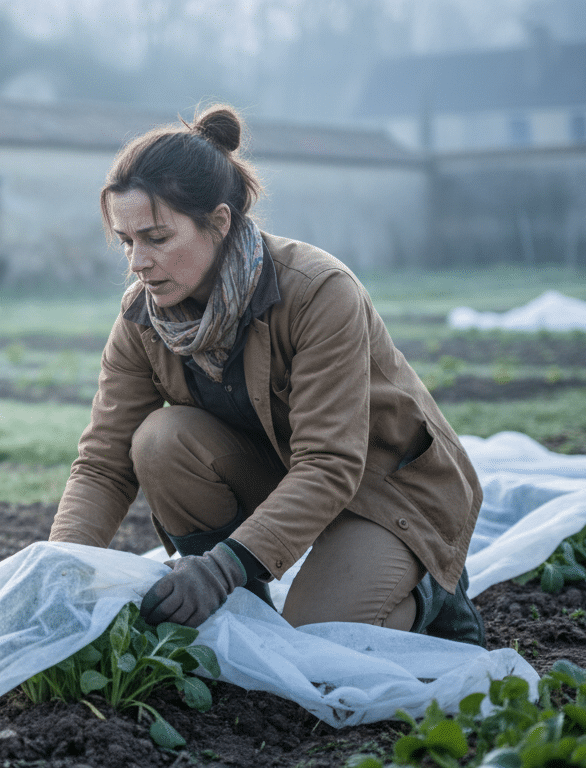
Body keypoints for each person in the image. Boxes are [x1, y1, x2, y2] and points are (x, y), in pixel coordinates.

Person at [48, 105, 486, 645]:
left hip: (385, 492)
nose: (138, 261)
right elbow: (103, 464)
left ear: (219, 222)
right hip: (283, 475)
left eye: (157, 238)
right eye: (126, 241)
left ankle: (433, 594)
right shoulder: (145, 318)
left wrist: (221, 566)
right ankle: (241, 616)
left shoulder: (318, 292)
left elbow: (330, 462)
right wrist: (56, 573)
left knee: (315, 642)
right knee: (161, 440)